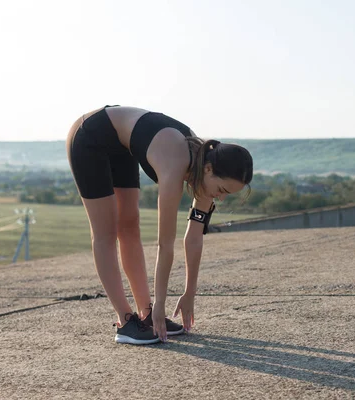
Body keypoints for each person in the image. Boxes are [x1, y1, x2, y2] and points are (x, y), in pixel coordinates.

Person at [66, 105, 253, 345]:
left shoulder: (206, 170)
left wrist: (189, 294)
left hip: (121, 146)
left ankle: (147, 314)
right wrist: (163, 302)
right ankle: (125, 322)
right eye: (222, 190)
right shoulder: (176, 164)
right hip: (90, 136)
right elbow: (165, 244)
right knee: (106, 230)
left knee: (130, 226)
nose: (221, 197)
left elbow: (194, 237)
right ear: (209, 170)